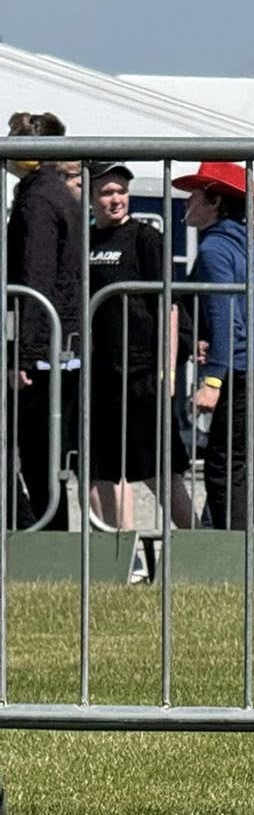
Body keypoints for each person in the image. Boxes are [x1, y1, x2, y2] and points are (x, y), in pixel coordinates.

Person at [175, 161, 254, 531]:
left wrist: (213, 380)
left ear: (214, 201)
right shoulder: (251, 244)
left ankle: (235, 551)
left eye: (194, 196)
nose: (187, 202)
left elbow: (227, 319)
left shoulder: (214, 249)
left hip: (249, 368)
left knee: (224, 464)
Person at [81, 162, 195, 531]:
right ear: (91, 197)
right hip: (100, 371)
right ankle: (125, 551)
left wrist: (169, 370)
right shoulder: (87, 240)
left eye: (121, 191)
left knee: (157, 469)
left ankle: (196, 540)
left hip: (143, 369)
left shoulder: (145, 237)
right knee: (104, 469)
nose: (116, 199)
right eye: (106, 192)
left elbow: (169, 306)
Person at [5, 113, 83, 529]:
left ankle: (34, 533)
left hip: (41, 349)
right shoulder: (55, 194)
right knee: (42, 458)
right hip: (57, 344)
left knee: (32, 454)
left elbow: (36, 277)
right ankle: (44, 534)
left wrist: (24, 353)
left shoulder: (38, 199)